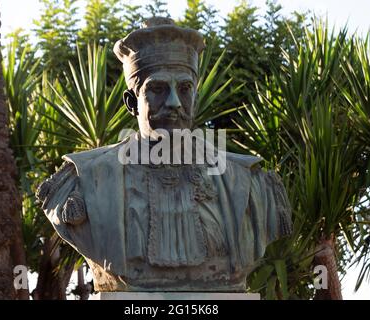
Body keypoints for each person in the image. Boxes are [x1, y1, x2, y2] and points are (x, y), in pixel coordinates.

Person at [36, 17, 292, 292]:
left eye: (184, 89)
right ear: (131, 102)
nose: (173, 103)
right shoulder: (84, 179)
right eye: (157, 89)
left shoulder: (249, 183)